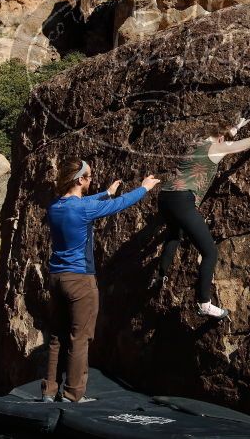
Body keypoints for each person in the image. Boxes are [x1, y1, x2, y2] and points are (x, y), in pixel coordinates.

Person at [43, 157, 160, 403]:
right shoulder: (84, 210)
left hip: (56, 278)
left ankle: (49, 391)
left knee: (56, 337)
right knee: (80, 338)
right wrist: (144, 188)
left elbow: (83, 202)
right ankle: (73, 394)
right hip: (80, 281)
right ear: (80, 180)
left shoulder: (55, 206)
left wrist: (106, 193)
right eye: (89, 176)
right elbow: (122, 204)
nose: (91, 179)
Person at [153, 112, 250, 319]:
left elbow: (221, 137)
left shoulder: (197, 142)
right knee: (210, 252)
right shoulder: (218, 147)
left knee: (174, 234)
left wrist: (235, 128)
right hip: (183, 200)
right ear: (222, 139)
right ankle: (204, 303)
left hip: (165, 197)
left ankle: (159, 275)